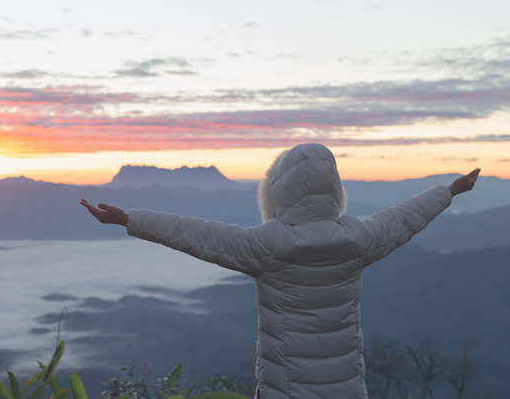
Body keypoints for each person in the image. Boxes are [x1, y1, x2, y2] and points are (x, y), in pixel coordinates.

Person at [81, 143, 480, 399]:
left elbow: (197, 234)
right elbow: (405, 218)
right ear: (335, 190)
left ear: (279, 192)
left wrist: (130, 220)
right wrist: (448, 191)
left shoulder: (267, 246)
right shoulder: (359, 239)